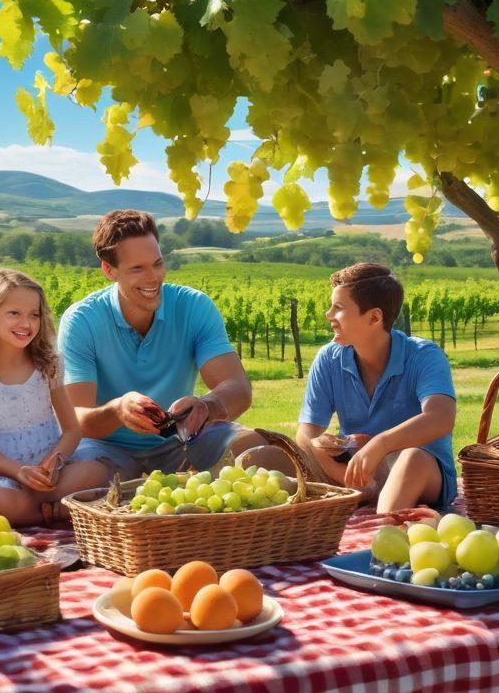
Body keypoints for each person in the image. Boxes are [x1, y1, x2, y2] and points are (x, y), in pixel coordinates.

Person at [58, 210, 261, 480]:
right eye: (137, 269)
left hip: (183, 444)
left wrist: (206, 406)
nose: (153, 278)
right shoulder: (81, 320)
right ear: (109, 270)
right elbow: (75, 419)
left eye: (157, 263)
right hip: (106, 451)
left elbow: (238, 389)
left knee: (260, 452)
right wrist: (118, 411)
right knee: (74, 481)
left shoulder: (194, 306)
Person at [244, 263, 458, 514]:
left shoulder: (423, 355)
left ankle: (384, 530)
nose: (328, 314)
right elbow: (306, 435)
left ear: (374, 317)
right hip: (354, 467)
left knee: (412, 459)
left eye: (339, 308)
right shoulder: (329, 358)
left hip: (420, 470)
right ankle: (354, 496)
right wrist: (336, 464)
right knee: (257, 457)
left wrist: (380, 444)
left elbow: (441, 418)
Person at [0, 268, 109, 525]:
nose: (26, 324)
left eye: (34, 315)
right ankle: (58, 511)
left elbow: (72, 431)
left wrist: (54, 463)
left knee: (96, 471)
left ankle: (38, 512)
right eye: (14, 313)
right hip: (3, 472)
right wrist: (19, 472)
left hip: (50, 469)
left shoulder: (49, 364)